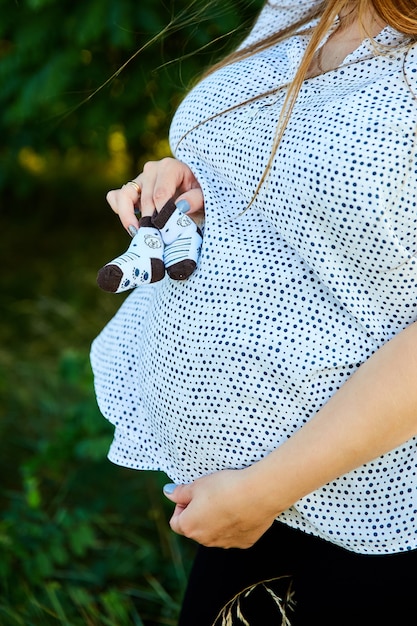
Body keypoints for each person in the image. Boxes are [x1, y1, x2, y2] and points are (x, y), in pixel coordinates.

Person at [90, 1, 417, 624]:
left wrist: (264, 490)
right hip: (240, 495)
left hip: (372, 507)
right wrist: (193, 178)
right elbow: (315, 189)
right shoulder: (306, 5)